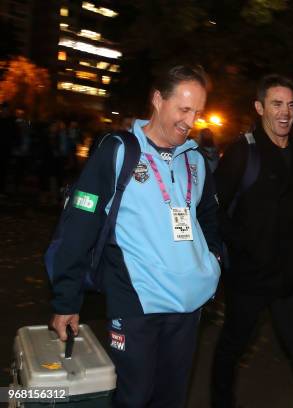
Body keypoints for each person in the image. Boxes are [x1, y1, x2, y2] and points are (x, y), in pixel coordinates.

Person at [49, 64, 222, 408]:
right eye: (183, 109)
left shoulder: (196, 162)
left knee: (171, 399)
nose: (191, 121)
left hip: (188, 305)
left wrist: (213, 259)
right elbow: (80, 223)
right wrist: (66, 298)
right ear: (158, 100)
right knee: (133, 398)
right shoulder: (118, 150)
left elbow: (208, 216)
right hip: (135, 303)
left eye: (198, 112)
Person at [212, 75, 293, 408]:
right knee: (231, 349)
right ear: (259, 107)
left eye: (291, 105)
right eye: (277, 104)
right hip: (249, 278)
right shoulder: (242, 152)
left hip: (292, 278)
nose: (285, 112)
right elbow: (213, 209)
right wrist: (244, 245)